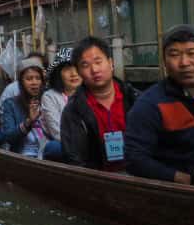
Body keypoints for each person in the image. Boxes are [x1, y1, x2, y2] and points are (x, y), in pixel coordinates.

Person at [125, 25, 194, 185]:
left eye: (192, 53)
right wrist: (188, 179)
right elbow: (134, 158)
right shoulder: (149, 104)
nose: (184, 62)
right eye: (174, 55)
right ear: (164, 62)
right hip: (181, 192)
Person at [60, 36, 140, 170]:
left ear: (111, 63)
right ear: (79, 72)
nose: (94, 70)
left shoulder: (135, 98)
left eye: (98, 61)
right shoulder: (73, 111)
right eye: (85, 65)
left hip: (138, 176)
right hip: (98, 179)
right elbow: (74, 160)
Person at [1, 58, 48, 156]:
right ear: (21, 82)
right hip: (24, 153)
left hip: (48, 152)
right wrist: (29, 122)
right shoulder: (10, 104)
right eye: (29, 79)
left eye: (38, 78)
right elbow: (8, 138)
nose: (34, 82)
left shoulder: (48, 101)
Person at [41, 49, 81, 159]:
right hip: (62, 144)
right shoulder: (50, 97)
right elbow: (57, 133)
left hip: (89, 145)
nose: (74, 73)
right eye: (67, 69)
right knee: (55, 148)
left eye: (77, 68)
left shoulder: (89, 94)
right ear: (59, 73)